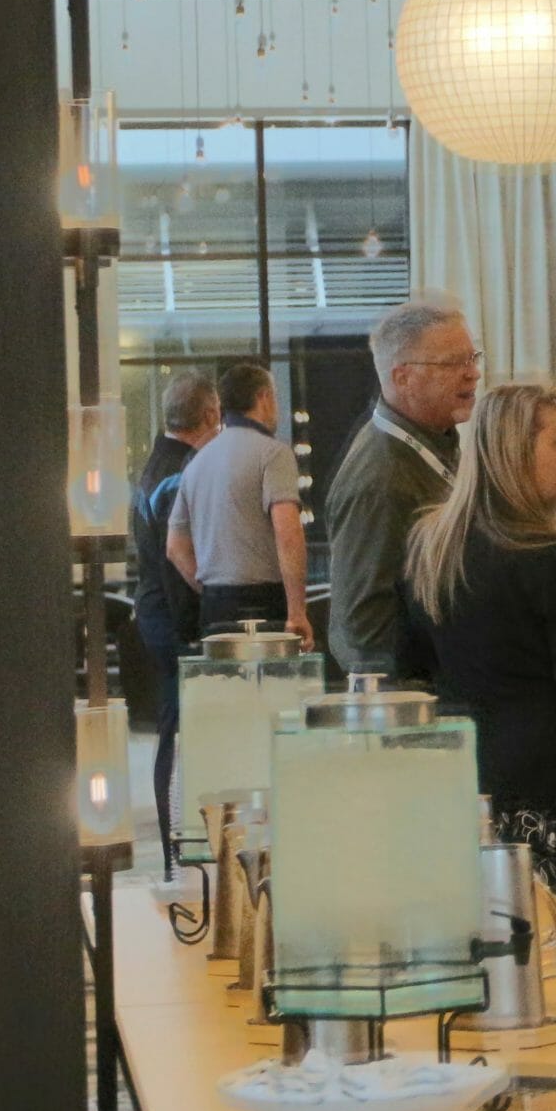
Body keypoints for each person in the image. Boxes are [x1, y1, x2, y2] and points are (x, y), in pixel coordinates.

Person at [401, 382, 556, 928]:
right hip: (550, 800)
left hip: (460, 792)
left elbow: (412, 674)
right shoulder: (555, 560)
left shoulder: (429, 548)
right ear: (515, 452)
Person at [327, 296, 479, 677]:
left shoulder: (436, 442)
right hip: (415, 692)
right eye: (453, 363)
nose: (473, 374)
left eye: (472, 358)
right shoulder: (380, 478)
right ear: (402, 378)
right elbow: (365, 630)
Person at [129, 371, 217, 877]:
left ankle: (175, 849)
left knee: (172, 728)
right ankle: (177, 849)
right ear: (210, 415)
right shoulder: (179, 474)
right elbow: (175, 561)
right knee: (177, 730)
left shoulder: (155, 466)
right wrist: (194, 629)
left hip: (153, 612)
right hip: (172, 618)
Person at [166, 363, 314, 646]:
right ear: (264, 398)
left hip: (214, 607)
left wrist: (210, 589)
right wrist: (297, 611)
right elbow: (288, 534)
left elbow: (175, 547)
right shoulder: (273, 454)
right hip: (264, 602)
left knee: (223, 675)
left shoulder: (197, 461)